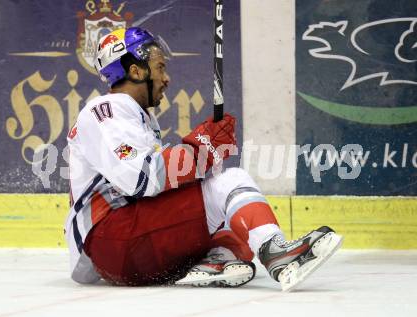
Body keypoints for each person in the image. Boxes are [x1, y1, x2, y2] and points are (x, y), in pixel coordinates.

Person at [65, 27, 343, 291]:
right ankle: (277, 254)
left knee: (236, 223)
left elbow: (155, 186)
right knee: (230, 182)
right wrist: (203, 149)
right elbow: (142, 179)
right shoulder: (107, 110)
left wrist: (206, 157)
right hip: (114, 241)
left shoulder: (135, 116)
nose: (166, 78)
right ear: (136, 71)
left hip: (122, 246)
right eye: (160, 67)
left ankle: (213, 262)